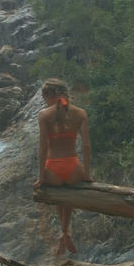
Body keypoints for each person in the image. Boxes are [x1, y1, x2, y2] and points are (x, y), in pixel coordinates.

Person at [33, 78, 93, 256]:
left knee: (60, 196)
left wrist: (41, 176)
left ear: (47, 95)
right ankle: (66, 232)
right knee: (68, 196)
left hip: (53, 169)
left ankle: (64, 232)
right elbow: (86, 146)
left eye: (44, 97)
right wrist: (87, 174)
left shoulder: (44, 115)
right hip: (74, 168)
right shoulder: (80, 113)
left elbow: (43, 148)